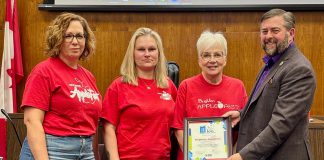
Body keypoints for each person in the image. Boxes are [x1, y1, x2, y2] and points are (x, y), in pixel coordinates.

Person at [224, 9, 317, 160]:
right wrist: (241, 115)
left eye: (275, 30)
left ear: (291, 33)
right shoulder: (272, 63)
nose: (268, 36)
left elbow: (281, 125)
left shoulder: (299, 69)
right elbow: (267, 105)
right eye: (264, 31)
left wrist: (243, 156)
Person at [19, 13, 102, 160]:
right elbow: (32, 121)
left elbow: (92, 123)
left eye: (80, 36)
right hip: (54, 150)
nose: (75, 41)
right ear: (57, 39)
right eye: (68, 36)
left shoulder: (89, 76)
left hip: (86, 150)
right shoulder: (44, 71)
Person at [100, 27, 177, 160]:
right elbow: (108, 129)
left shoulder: (168, 86)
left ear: (159, 53)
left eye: (152, 49)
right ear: (132, 53)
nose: (147, 54)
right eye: (141, 49)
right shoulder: (118, 86)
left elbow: (179, 125)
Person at [171, 31, 248, 160]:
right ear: (199, 60)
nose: (212, 60)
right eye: (206, 55)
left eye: (217, 55)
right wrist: (195, 156)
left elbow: (246, 124)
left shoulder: (238, 86)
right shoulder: (186, 86)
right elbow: (179, 129)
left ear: (225, 59)